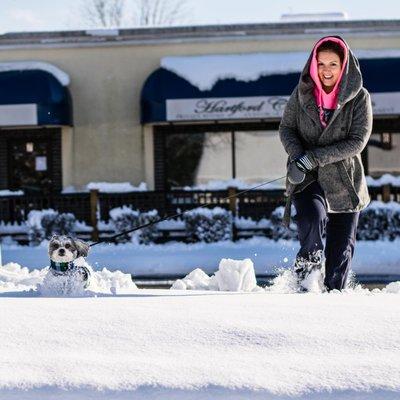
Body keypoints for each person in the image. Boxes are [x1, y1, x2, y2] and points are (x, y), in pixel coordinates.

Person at [278, 36, 373, 291]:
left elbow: (357, 142)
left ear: (344, 66)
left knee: (339, 256)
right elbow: (287, 128)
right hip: (307, 176)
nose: (326, 70)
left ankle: (332, 302)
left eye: (333, 64)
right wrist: (298, 156)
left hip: (345, 181)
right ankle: (306, 281)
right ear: (313, 65)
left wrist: (315, 156)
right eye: (321, 64)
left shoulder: (359, 98)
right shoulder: (301, 95)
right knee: (311, 219)